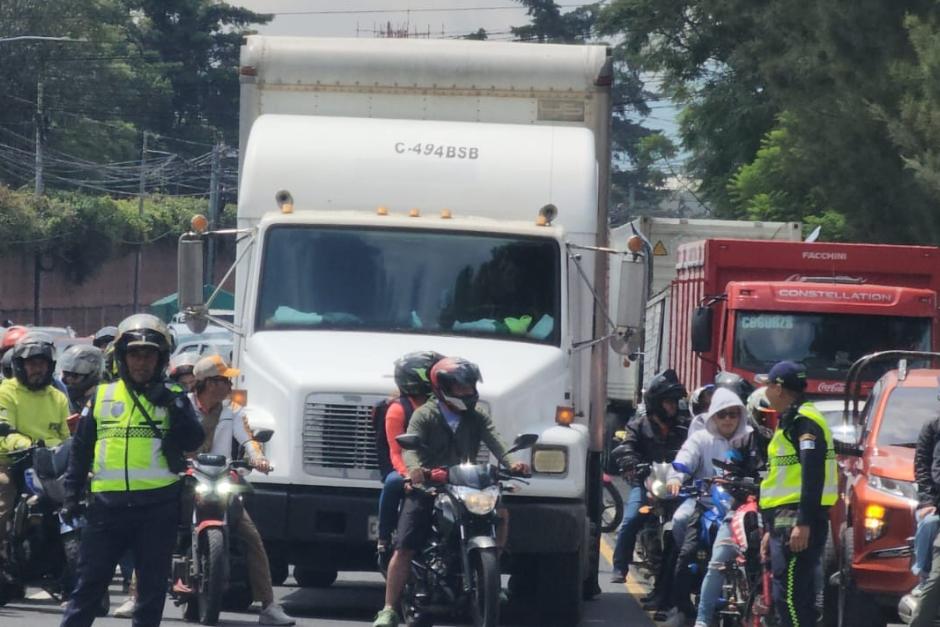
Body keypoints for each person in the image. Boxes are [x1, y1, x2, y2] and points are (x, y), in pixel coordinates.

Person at [60, 313, 205, 627]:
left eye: (149, 355)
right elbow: (81, 450)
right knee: (87, 589)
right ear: (122, 358)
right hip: (106, 510)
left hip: (157, 509)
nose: (142, 362)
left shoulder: (175, 398)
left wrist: (175, 405)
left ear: (160, 359)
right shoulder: (101, 396)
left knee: (150, 595)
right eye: (135, 354)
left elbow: (195, 440)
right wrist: (71, 495)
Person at [372, 356, 529, 627]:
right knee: (406, 545)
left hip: (466, 484)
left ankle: (491, 580)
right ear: (442, 388)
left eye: (469, 386)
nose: (467, 392)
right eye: (460, 387)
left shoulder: (477, 416)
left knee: (500, 513)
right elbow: (410, 449)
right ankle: (388, 608)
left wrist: (511, 462)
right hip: (429, 486)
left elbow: (496, 440)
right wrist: (416, 471)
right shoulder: (425, 415)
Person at [181, 354, 294, 626]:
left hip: (219, 478)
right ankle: (137, 595)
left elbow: (249, 440)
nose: (229, 385)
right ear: (207, 383)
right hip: (184, 477)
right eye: (224, 380)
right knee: (154, 527)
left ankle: (269, 606)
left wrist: (258, 458)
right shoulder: (181, 406)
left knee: (251, 536)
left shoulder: (233, 410)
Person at [664, 388, 753, 627]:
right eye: (722, 414)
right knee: (686, 551)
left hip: (741, 510)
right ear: (713, 416)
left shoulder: (751, 438)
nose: (727, 420)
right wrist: (676, 477)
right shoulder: (700, 439)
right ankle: (683, 607)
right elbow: (685, 458)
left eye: (733, 414)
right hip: (705, 505)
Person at [757, 361, 837, 627]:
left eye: (767, 385)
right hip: (784, 519)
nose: (765, 391)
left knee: (789, 596)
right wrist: (769, 528)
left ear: (778, 388)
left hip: (796, 519)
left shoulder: (805, 422)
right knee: (790, 595)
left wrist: (803, 522)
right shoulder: (792, 419)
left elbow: (812, 475)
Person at [610, 369, 688, 612]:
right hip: (646, 483)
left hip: (675, 486)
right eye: (668, 402)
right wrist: (633, 464)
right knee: (632, 518)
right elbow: (625, 448)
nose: (672, 407)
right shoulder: (638, 425)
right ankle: (620, 567)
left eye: (674, 402)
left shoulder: (685, 427)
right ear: (656, 403)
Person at [0, 332, 71, 540]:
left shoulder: (57, 397)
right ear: (20, 365)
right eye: (32, 364)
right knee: (3, 505)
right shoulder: (6, 392)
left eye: (42, 364)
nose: (38, 369)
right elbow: (4, 428)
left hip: (51, 464)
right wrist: (25, 444)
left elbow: (66, 434)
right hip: (12, 462)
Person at [376, 351, 443, 566]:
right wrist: (408, 475)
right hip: (401, 467)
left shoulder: (440, 406)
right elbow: (396, 451)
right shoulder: (397, 409)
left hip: (433, 464)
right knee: (393, 483)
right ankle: (384, 537)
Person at [909, 436, 940, 626]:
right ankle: (922, 573)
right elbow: (928, 469)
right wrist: (928, 501)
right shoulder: (933, 429)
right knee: (936, 580)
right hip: (935, 506)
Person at [914, 415, 940, 587]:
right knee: (929, 523)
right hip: (935, 502)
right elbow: (922, 466)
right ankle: (923, 578)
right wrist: (928, 502)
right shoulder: (932, 426)